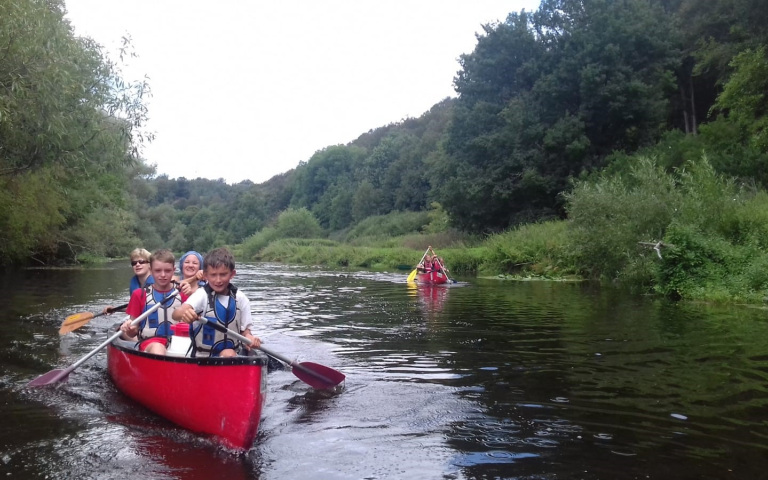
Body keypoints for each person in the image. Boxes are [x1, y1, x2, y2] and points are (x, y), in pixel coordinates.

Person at [173, 247, 260, 358]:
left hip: (231, 357)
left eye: (223, 274)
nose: (218, 280)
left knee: (228, 353)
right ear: (205, 275)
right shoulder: (201, 295)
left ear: (232, 274)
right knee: (228, 354)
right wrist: (185, 313)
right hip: (201, 360)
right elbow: (176, 314)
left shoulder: (241, 299)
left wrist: (250, 339)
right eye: (213, 275)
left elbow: (245, 332)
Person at [120, 249, 185, 355]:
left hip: (179, 343)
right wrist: (130, 329)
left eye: (167, 271)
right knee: (158, 348)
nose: (163, 275)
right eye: (158, 271)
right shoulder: (139, 294)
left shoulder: (183, 292)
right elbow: (133, 332)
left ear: (174, 270)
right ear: (151, 270)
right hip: (150, 342)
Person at [103, 248, 155, 314]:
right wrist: (114, 309)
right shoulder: (134, 283)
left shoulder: (158, 282)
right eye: (134, 263)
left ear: (150, 264)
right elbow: (133, 307)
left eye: (141, 262)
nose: (137, 264)